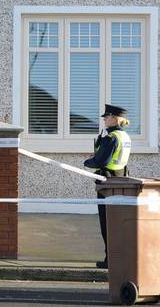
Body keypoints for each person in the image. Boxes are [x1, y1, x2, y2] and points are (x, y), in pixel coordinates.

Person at [84, 104, 131, 269]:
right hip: (120, 181)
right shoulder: (124, 137)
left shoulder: (111, 138)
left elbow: (101, 161)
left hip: (107, 183)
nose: (104, 119)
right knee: (117, 223)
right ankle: (120, 257)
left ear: (114, 118)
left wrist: (88, 161)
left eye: (107, 117)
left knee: (107, 223)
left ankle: (109, 260)